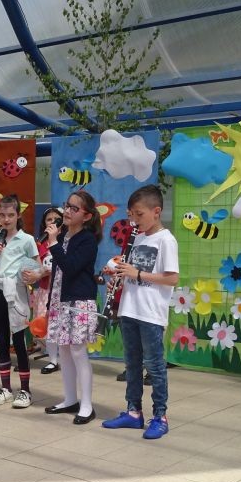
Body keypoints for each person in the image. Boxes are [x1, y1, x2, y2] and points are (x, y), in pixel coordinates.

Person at [102, 185, 178, 439]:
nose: (134, 220)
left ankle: (160, 416)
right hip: (130, 309)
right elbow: (132, 273)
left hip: (150, 313)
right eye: (131, 215)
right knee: (132, 364)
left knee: (154, 366)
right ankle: (133, 412)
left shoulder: (166, 240)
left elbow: (172, 278)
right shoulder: (136, 237)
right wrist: (120, 279)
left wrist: (137, 274)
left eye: (139, 214)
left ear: (156, 211)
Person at [42, 191, 102, 424]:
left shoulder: (87, 240)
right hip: (60, 300)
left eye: (74, 208)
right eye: (67, 206)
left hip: (79, 302)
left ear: (86, 216)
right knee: (64, 351)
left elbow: (70, 267)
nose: (67, 211)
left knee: (77, 351)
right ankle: (70, 399)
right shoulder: (64, 236)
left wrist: (53, 243)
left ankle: (87, 405)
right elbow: (57, 273)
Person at [0, 194, 39, 408]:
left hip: (16, 292)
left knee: (19, 341)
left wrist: (32, 276)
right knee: (2, 339)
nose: (6, 219)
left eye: (10, 215)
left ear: (18, 215)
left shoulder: (27, 239)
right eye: (2, 215)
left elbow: (37, 266)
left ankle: (25, 390)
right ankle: (5, 388)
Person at [23, 206, 64, 375]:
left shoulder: (66, 241)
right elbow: (37, 267)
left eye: (56, 220)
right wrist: (35, 273)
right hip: (46, 290)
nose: (52, 222)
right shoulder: (40, 244)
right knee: (46, 324)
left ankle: (63, 358)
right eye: (49, 220)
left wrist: (46, 271)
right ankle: (53, 359)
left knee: (62, 325)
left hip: (63, 290)